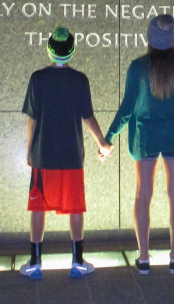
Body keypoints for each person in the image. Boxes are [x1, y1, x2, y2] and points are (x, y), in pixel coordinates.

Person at [103, 15, 174, 275]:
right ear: (172, 38)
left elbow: (127, 109)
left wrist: (108, 138)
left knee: (143, 195)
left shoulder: (137, 67)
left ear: (149, 38)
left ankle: (143, 258)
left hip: (145, 137)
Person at [20, 26, 113, 280]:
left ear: (49, 50)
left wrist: (29, 151)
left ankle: (35, 263)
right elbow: (88, 118)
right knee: (75, 208)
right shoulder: (79, 80)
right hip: (71, 156)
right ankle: (77, 262)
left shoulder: (37, 79)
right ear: (71, 51)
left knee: (38, 207)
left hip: (43, 155)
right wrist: (103, 144)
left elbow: (32, 119)